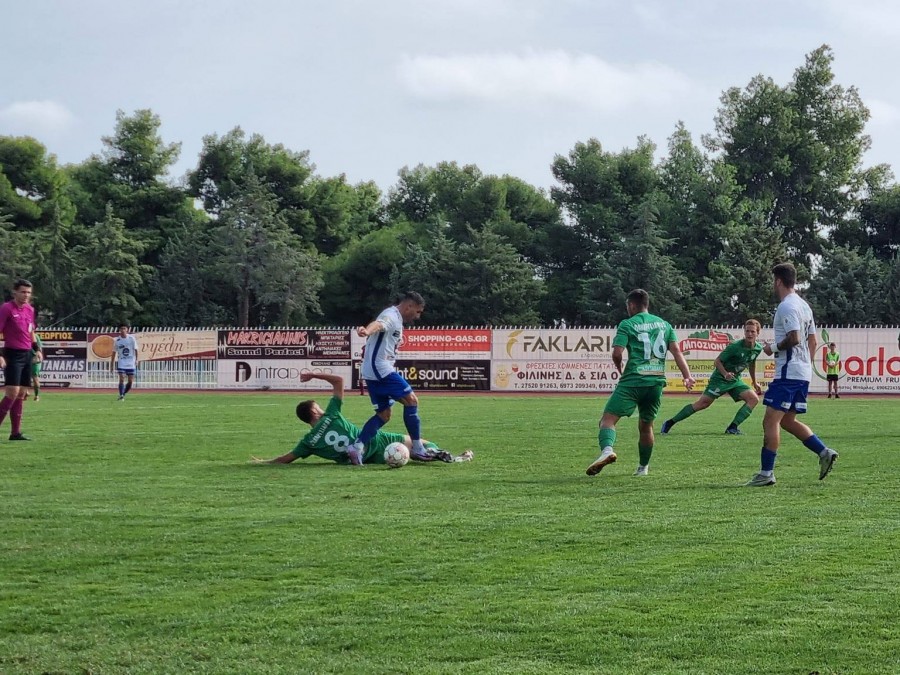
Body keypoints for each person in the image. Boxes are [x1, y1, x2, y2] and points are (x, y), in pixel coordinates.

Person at [745, 263, 838, 487]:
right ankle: (823, 451)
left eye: (772, 281)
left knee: (770, 421)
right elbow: (812, 340)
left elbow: (795, 338)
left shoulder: (786, 307)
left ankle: (766, 473)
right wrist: (805, 364)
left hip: (788, 373)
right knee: (787, 420)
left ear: (778, 281)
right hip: (801, 372)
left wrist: (772, 349)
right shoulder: (804, 306)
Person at [586, 288, 695, 477]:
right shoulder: (664, 325)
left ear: (632, 305)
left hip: (633, 380)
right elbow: (676, 351)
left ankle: (607, 450)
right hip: (656, 382)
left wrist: (618, 366)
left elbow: (617, 353)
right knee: (646, 426)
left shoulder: (627, 324)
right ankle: (643, 468)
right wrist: (687, 376)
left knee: (608, 420)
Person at [252, 372, 472, 465]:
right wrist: (314, 374)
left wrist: (263, 462)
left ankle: (449, 457)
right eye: (317, 405)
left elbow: (286, 458)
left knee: (410, 453)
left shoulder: (308, 443)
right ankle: (456, 458)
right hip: (379, 440)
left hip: (370, 458)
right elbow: (338, 381)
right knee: (421, 445)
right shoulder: (331, 415)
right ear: (315, 412)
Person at [348, 291, 431, 465]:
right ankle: (417, 447)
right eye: (417, 311)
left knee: (384, 415)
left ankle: (356, 447)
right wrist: (366, 330)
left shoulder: (397, 319)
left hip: (373, 371)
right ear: (409, 306)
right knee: (411, 401)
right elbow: (379, 324)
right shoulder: (391, 316)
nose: (418, 316)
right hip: (380, 369)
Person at [660, 319, 763, 436]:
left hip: (735, 380)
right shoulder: (735, 347)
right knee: (703, 404)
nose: (749, 334)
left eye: (752, 332)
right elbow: (717, 361)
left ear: (758, 333)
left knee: (753, 399)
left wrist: (755, 383)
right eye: (747, 331)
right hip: (719, 379)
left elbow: (752, 364)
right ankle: (669, 422)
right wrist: (725, 374)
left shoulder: (758, 348)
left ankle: (732, 428)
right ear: (744, 332)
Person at [0, 279, 39, 440]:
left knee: (22, 393)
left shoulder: (30, 309)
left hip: (27, 353)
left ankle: (15, 432)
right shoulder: (6, 308)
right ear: (14, 292)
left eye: (28, 292)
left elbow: (31, 332)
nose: (26, 295)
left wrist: (37, 350)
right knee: (12, 392)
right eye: (23, 292)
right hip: (12, 353)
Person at [111, 324, 139, 400]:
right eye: (121, 329)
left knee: (130, 382)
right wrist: (111, 365)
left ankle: (123, 394)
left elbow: (136, 349)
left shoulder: (131, 339)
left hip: (131, 362)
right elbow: (113, 353)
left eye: (124, 328)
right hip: (122, 362)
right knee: (122, 378)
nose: (123, 330)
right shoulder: (117, 340)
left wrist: (137, 360)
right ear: (119, 330)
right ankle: (121, 395)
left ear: (127, 330)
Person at [25, 332, 44, 401]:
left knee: (35, 378)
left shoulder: (35, 336)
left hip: (34, 360)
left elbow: (39, 348)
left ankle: (36, 395)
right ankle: (25, 392)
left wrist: (38, 355)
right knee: (23, 378)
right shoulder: (22, 335)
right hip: (25, 359)